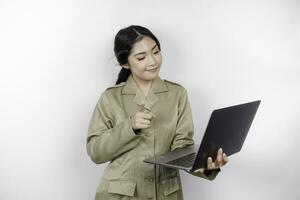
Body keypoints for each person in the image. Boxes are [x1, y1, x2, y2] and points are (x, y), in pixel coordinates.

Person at [86, 25, 229, 200]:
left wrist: (206, 165)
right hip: (121, 195)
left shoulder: (177, 94)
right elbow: (95, 152)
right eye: (141, 57)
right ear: (125, 63)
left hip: (166, 193)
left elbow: (182, 148)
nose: (153, 61)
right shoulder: (110, 97)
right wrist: (129, 127)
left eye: (156, 52)